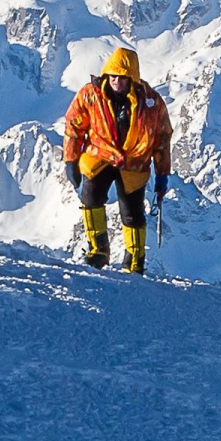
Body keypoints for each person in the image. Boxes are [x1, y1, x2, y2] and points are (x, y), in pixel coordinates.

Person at [58, 45, 173, 273]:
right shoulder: (91, 95)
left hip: (134, 163)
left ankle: (134, 261)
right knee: (90, 198)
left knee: (131, 212)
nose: (116, 82)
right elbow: (74, 125)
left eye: (121, 77)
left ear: (131, 77)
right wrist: (70, 159)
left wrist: (162, 174)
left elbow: (162, 139)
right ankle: (97, 250)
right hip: (99, 155)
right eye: (113, 76)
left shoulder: (151, 102)